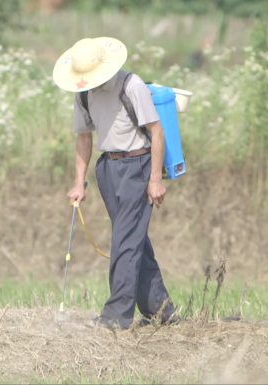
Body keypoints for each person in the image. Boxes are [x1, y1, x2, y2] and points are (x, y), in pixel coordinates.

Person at [52, 37, 177, 329]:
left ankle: (116, 316)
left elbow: (156, 132)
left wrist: (155, 180)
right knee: (134, 241)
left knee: (124, 242)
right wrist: (79, 183)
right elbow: (84, 138)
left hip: (138, 166)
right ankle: (162, 311)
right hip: (108, 169)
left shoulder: (131, 86)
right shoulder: (83, 94)